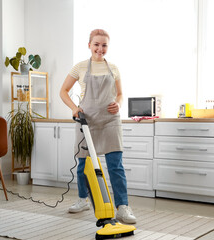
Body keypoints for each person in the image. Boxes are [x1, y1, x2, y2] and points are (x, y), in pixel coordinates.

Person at [59, 29, 136, 224]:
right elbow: (63, 91)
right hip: (87, 121)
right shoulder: (80, 67)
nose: (100, 49)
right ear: (89, 45)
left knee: (115, 165)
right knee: (83, 164)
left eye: (104, 45)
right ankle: (83, 199)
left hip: (110, 121)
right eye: (96, 44)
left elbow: (120, 94)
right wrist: (74, 108)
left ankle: (122, 207)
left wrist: (118, 104)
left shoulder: (115, 68)